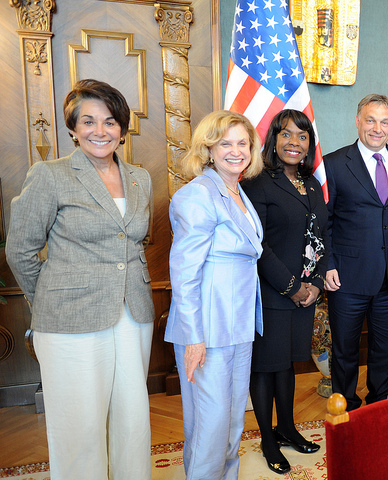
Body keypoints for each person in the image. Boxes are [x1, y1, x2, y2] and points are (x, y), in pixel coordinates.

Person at [5, 79, 154, 479]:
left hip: (133, 314)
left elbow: (134, 241)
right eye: (88, 121)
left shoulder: (140, 177)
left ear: (122, 128)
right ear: (72, 128)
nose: (99, 131)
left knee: (133, 416)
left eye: (109, 121)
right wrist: (50, 301)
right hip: (69, 319)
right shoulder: (49, 175)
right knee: (79, 425)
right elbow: (19, 248)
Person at [164, 111, 264, 479]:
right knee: (210, 428)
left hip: (238, 324)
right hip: (206, 327)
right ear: (208, 149)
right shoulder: (196, 195)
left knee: (232, 423)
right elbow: (185, 273)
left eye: (243, 143)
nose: (236, 151)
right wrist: (193, 338)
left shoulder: (236, 190)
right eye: (226, 143)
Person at [243, 109, 328, 474]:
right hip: (272, 293)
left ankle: (287, 428)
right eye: (287, 134)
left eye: (302, 136)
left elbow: (322, 234)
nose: (295, 142)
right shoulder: (257, 183)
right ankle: (267, 438)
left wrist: (317, 283)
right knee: (265, 367)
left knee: (287, 365)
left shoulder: (310, 183)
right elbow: (258, 246)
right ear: (273, 139)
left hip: (305, 295)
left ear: (309, 143)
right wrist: (293, 287)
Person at [323, 94, 388, 411]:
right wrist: (328, 265)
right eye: (371, 120)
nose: (377, 128)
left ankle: (378, 404)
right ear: (358, 121)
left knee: (384, 347)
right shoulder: (334, 164)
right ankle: (345, 404)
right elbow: (325, 221)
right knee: (345, 348)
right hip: (346, 278)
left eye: (384, 121)